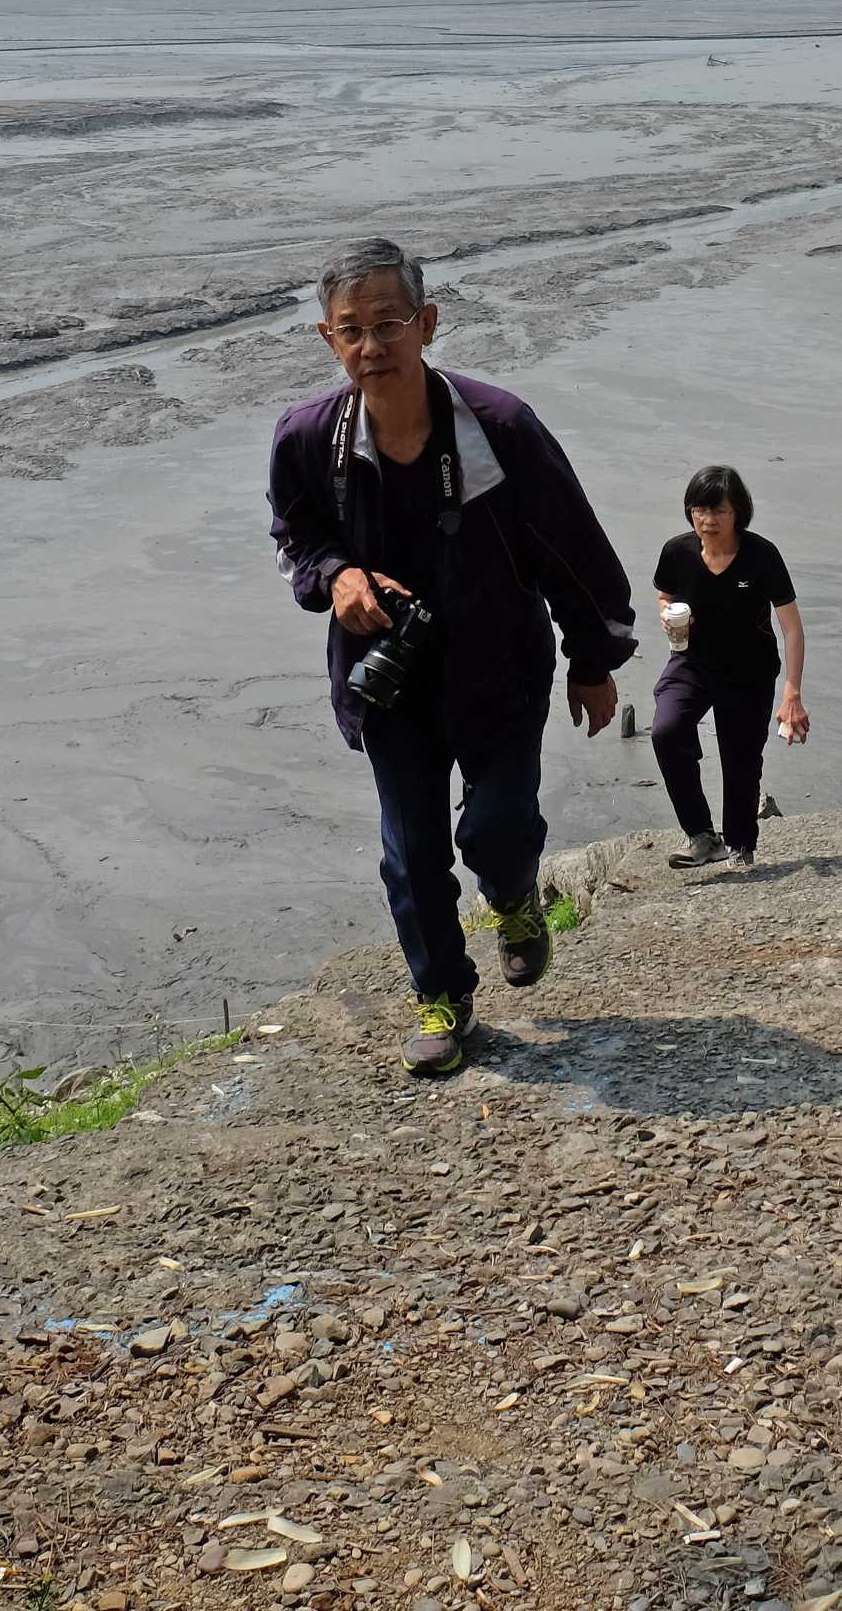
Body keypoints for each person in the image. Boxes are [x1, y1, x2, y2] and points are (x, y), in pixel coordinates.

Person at [267, 237, 637, 1077]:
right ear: (327, 340)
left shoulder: (498, 429)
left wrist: (592, 658)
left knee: (497, 826)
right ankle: (442, 997)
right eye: (351, 330)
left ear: (427, 324)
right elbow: (296, 538)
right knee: (412, 850)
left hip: (498, 666)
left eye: (389, 324)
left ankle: (512, 896)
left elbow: (571, 548)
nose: (372, 347)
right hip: (388, 678)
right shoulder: (308, 442)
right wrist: (340, 577)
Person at [651, 465, 808, 869]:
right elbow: (664, 594)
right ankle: (702, 837)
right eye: (699, 510)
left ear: (738, 511)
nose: (707, 520)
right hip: (691, 662)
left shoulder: (762, 556)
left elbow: (790, 627)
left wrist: (792, 692)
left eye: (718, 510)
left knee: (740, 761)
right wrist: (668, 615)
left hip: (749, 671)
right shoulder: (677, 551)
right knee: (667, 730)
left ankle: (740, 846)